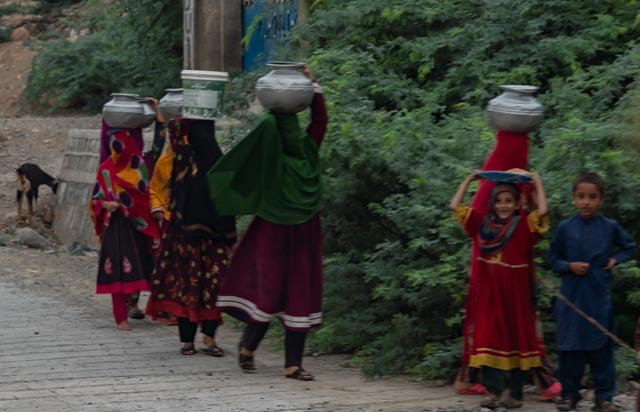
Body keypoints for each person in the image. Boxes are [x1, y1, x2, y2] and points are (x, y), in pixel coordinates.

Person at [207, 66, 327, 381]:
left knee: (271, 286)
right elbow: (319, 122)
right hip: (299, 230)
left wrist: (273, 108)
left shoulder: (275, 147)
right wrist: (313, 89)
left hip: (274, 228)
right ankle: (282, 359)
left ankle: (265, 353)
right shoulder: (309, 150)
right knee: (294, 289)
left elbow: (264, 130)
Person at [450, 169, 548, 409]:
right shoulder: (481, 224)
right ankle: (494, 393)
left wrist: (536, 182)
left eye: (509, 201)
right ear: (492, 203)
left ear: (517, 204)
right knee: (486, 341)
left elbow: (543, 212)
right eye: (499, 200)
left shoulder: (524, 226)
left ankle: (514, 395)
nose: (503, 205)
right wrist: (468, 180)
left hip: (516, 298)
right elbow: (455, 206)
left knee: (517, 343)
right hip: (488, 297)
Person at [145, 118, 236, 356]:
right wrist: (159, 208)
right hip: (183, 237)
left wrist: (229, 237)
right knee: (184, 285)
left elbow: (229, 197)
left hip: (213, 238)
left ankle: (209, 338)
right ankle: (187, 340)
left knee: (213, 285)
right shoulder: (178, 159)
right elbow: (158, 185)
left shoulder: (218, 163)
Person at [550, 172, 636, 412]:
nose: (586, 202)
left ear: (601, 199)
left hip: (598, 294)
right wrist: (569, 266)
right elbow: (553, 258)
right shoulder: (566, 228)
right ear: (573, 198)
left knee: (601, 348)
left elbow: (629, 246)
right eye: (581, 196)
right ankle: (569, 396)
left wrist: (614, 259)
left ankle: (604, 397)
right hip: (571, 297)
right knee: (570, 349)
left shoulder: (610, 227)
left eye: (592, 197)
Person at [99, 97, 166, 320]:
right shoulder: (109, 167)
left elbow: (160, 141)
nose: (122, 146)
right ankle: (129, 303)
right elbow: (97, 195)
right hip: (121, 221)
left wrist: (157, 113)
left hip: (144, 220)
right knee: (125, 258)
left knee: (143, 258)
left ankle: (140, 301)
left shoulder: (144, 163)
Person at [89, 127, 159, 331]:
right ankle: (120, 317)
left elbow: (144, 198)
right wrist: (106, 205)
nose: (118, 152)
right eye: (115, 148)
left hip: (137, 228)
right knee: (116, 270)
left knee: (138, 267)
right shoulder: (105, 169)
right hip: (114, 227)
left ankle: (138, 305)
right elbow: (95, 200)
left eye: (122, 147)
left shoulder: (138, 169)